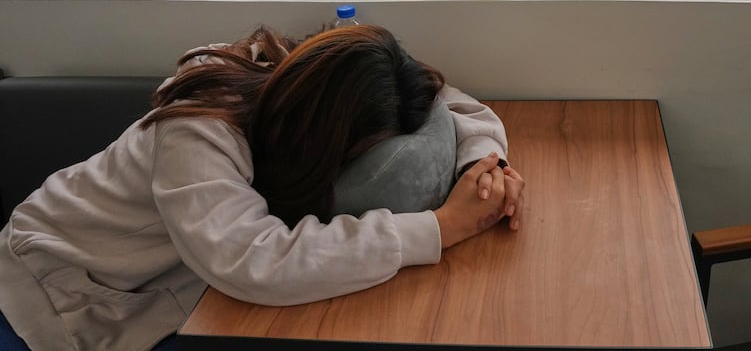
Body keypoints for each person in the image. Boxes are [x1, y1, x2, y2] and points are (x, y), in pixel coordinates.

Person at [0, 24, 525, 351]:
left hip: (177, 275)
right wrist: (439, 229)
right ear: (321, 138)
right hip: (59, 277)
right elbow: (251, 259)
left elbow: (448, 101)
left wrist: (484, 168)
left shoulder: (315, 72)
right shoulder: (197, 134)